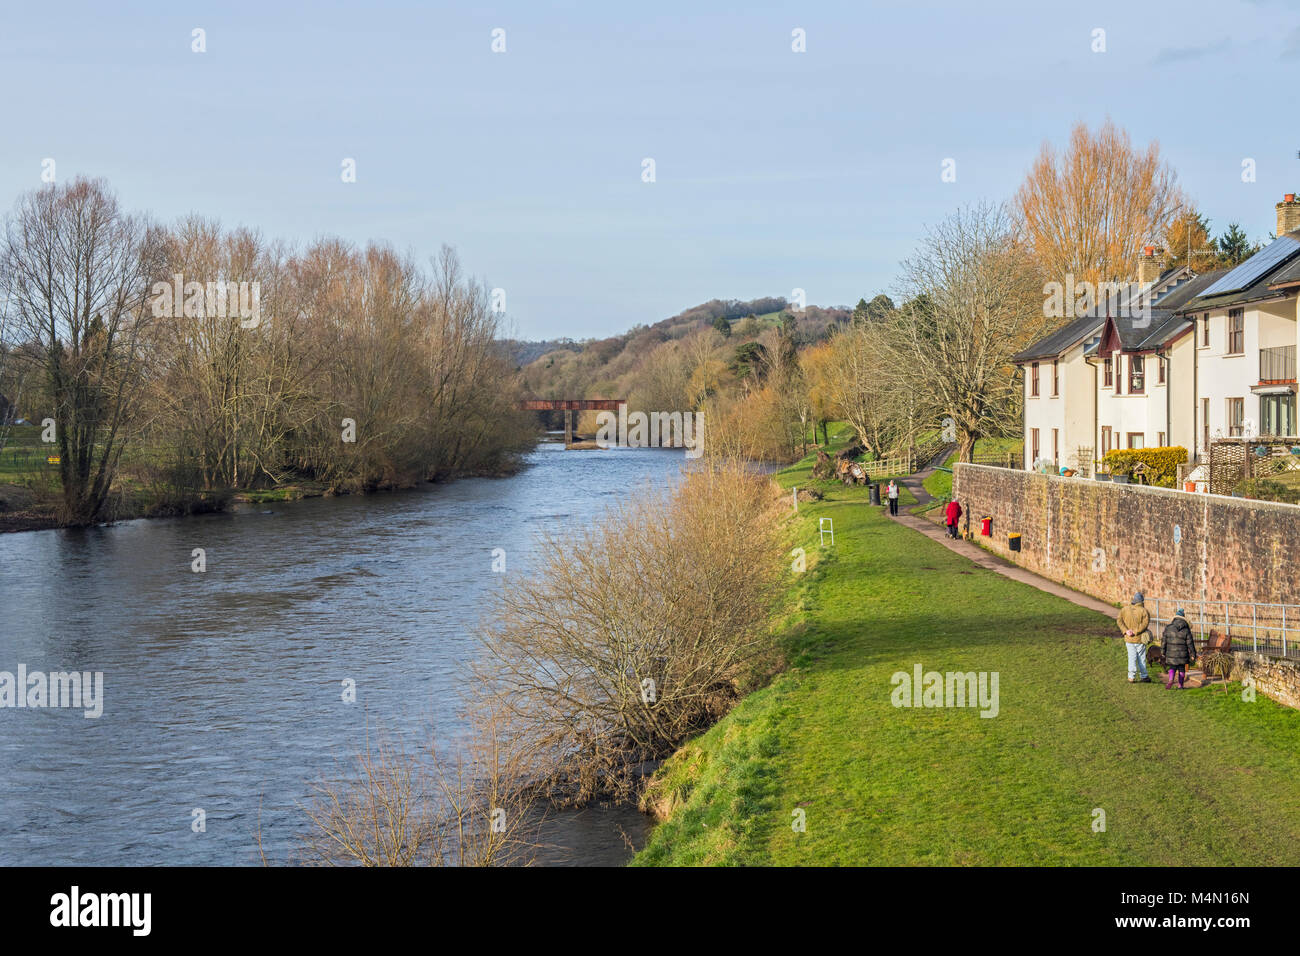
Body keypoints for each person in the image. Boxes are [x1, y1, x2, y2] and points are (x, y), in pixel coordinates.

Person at [1117, 591, 1153, 683]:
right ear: (1141, 601)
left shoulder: (1124, 609)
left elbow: (1119, 621)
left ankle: (1131, 677)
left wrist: (1126, 631)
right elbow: (1144, 625)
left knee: (1131, 657)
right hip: (1139, 639)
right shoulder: (1144, 611)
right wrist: (1136, 631)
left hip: (1128, 639)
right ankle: (1144, 676)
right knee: (1141, 658)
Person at [1161, 608, 1198, 690]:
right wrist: (1193, 654)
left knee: (1172, 667)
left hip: (1171, 653)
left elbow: (1164, 641)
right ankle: (1180, 685)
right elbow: (1190, 643)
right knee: (1181, 668)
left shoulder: (1168, 628)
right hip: (1183, 654)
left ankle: (1171, 680)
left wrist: (1162, 651)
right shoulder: (1186, 629)